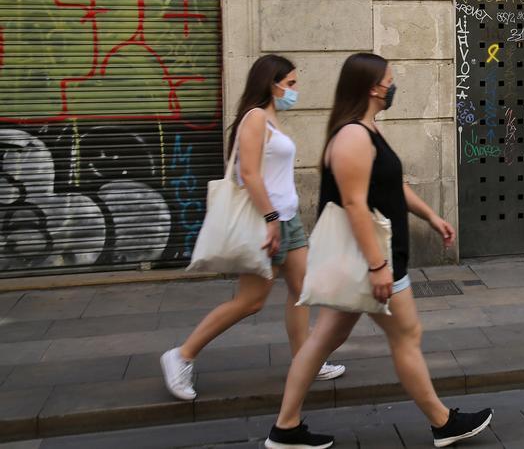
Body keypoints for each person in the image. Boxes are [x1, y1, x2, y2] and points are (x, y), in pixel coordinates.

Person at [265, 53, 492, 449]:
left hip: (368, 263)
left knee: (320, 342)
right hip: (372, 262)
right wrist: (378, 266)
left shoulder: (367, 130)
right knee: (406, 337)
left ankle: (285, 428)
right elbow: (354, 204)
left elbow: (391, 188)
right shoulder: (353, 135)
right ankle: (442, 423)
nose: (393, 85)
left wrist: (431, 216)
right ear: (372, 87)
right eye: (390, 79)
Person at [161, 55, 345, 401]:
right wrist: (270, 220)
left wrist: (281, 218)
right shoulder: (256, 118)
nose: (295, 90)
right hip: (270, 221)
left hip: (287, 219)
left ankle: (305, 360)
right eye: (290, 84)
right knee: (250, 301)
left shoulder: (272, 119)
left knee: (302, 289)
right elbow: (249, 175)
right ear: (270, 84)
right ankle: (181, 355)